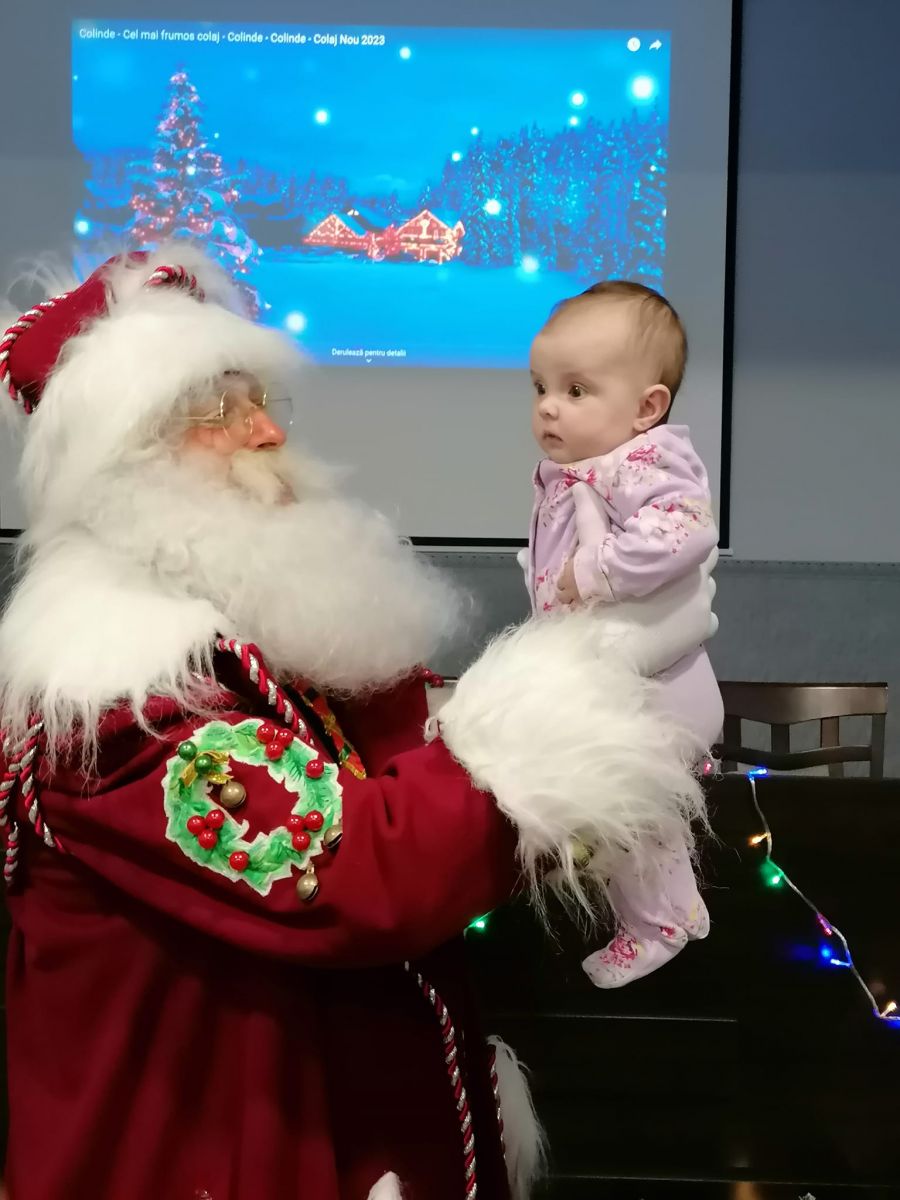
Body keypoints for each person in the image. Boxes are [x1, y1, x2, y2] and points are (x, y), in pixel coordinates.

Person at [0, 246, 715, 1200]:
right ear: (123, 467)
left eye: (262, 402)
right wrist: (558, 708)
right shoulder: (112, 696)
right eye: (220, 413)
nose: (265, 431)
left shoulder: (233, 632)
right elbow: (345, 867)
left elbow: (381, 754)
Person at [522, 280, 724, 988]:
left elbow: (686, 531)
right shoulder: (582, 469)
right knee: (610, 802)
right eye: (541, 386)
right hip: (624, 682)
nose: (549, 405)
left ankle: (659, 925)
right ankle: (664, 909)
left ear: (647, 408)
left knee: (622, 806)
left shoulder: (645, 460)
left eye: (576, 390)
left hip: (659, 689)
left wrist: (593, 571)